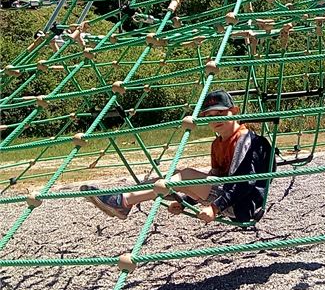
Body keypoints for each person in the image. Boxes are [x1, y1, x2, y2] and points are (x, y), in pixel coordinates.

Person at [81, 90, 273, 225]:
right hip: (227, 198)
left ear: (235, 111)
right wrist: (184, 202)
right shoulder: (217, 144)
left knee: (185, 175)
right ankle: (124, 201)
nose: (215, 119)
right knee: (172, 177)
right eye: (210, 116)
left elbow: (244, 183)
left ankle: (124, 201)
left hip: (244, 205)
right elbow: (214, 179)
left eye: (221, 113)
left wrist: (215, 208)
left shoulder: (247, 141)